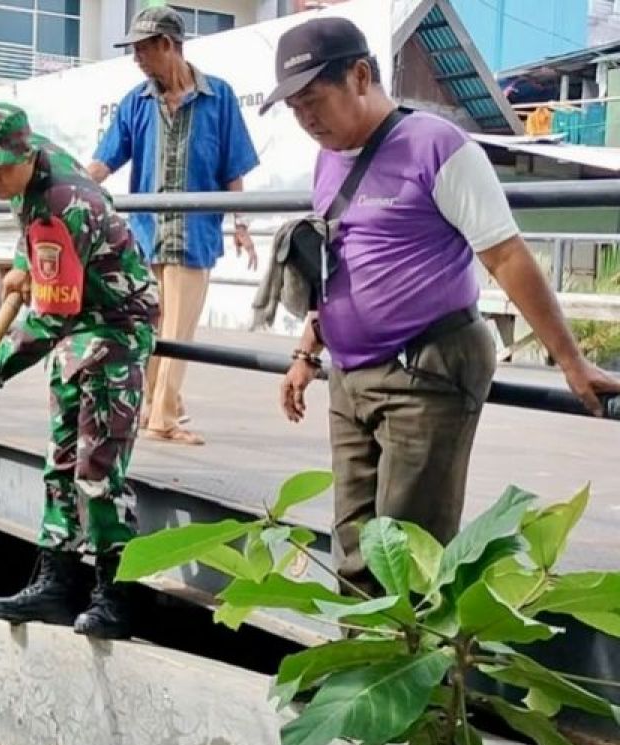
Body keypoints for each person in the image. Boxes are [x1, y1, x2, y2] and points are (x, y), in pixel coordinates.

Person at [262, 17, 620, 594]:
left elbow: (508, 257)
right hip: (350, 376)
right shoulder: (329, 158)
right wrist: (308, 350)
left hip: (424, 369)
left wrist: (573, 363)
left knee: (407, 552)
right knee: (354, 546)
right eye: (293, 108)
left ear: (360, 76)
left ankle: (411, 677)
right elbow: (336, 258)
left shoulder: (437, 147)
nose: (305, 119)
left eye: (313, 100)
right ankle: (359, 678)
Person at [0, 103, 160, 640]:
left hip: (113, 325)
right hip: (78, 321)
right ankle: (55, 585)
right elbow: (37, 246)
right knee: (60, 459)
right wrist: (24, 265)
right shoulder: (35, 163)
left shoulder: (63, 206)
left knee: (97, 468)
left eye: (0, 169)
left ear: (23, 153)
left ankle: (117, 595)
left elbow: (47, 322)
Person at [89, 6, 259, 446]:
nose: (137, 59)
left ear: (168, 45)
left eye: (143, 49)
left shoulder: (218, 98)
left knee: (177, 330)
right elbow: (105, 160)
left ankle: (162, 415)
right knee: (150, 326)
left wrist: (241, 224)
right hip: (145, 236)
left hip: (194, 235)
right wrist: (71, 188)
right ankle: (159, 411)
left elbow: (233, 168)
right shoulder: (137, 101)